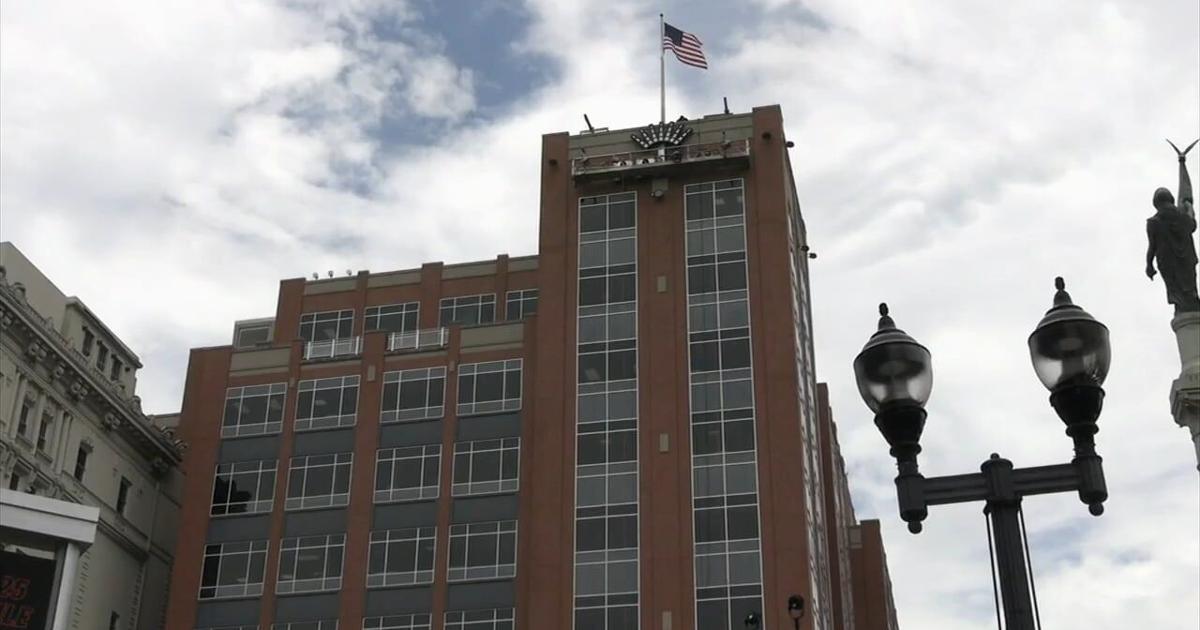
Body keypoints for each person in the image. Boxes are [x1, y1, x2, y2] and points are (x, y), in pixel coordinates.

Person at [1147, 140, 1200, 314]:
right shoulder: (1182, 216)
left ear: (1156, 203)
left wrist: (1149, 265)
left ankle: (1183, 308)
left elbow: (1152, 247)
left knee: (1177, 293)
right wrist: (1189, 208)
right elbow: (1192, 226)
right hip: (1187, 260)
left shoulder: (1153, 222)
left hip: (1167, 262)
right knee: (1190, 289)